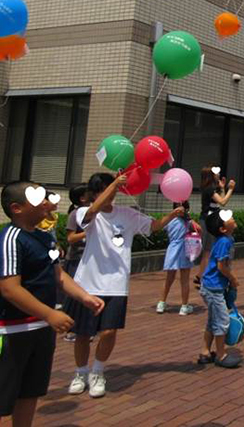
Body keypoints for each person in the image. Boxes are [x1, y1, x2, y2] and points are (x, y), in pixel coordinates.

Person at [65, 173, 184, 399]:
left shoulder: (127, 214)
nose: (108, 194)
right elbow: (91, 212)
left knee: (109, 331)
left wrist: (172, 214)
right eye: (102, 190)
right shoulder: (83, 213)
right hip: (88, 283)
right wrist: (114, 185)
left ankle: (98, 371)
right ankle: (80, 373)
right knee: (83, 333)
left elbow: (153, 226)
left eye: (110, 189)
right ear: (93, 193)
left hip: (116, 283)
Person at [0, 181, 104, 427]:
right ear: (17, 208)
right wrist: (50, 314)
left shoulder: (45, 238)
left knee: (30, 392)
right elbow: (8, 288)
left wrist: (84, 296)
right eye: (39, 198)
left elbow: (57, 274)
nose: (48, 203)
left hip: (41, 331)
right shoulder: (10, 238)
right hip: (11, 331)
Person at [197, 215, 241, 368]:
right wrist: (233, 279)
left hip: (214, 286)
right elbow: (221, 266)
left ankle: (205, 352)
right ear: (223, 229)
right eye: (228, 218)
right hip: (213, 288)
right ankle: (221, 355)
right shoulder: (223, 241)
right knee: (222, 321)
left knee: (212, 321)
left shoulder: (227, 239)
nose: (232, 218)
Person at [196, 167, 235, 286]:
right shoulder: (209, 189)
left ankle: (200, 276)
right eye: (216, 173)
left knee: (209, 250)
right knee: (208, 251)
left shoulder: (211, 188)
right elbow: (223, 202)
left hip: (209, 221)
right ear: (211, 176)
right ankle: (202, 278)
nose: (218, 175)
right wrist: (231, 189)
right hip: (207, 222)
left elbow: (220, 202)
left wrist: (222, 188)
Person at [62, 184, 90, 340]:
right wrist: (88, 232)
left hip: (88, 259)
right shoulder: (74, 214)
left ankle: (84, 328)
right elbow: (70, 238)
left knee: (86, 293)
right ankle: (70, 329)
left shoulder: (92, 212)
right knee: (75, 295)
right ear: (82, 198)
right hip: (75, 259)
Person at [156, 201, 194, 316]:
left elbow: (159, 226)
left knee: (169, 279)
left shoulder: (170, 220)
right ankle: (184, 306)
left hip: (172, 250)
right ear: (186, 209)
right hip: (185, 250)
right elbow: (199, 230)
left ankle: (161, 303)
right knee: (185, 280)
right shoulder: (189, 222)